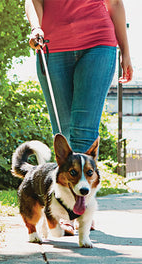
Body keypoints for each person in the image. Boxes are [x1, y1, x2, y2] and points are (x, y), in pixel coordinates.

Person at [25, 0, 133, 154]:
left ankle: (82, 178)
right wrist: (36, 28)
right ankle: (72, 177)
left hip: (98, 44)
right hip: (53, 48)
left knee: (84, 134)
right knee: (64, 136)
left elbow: (114, 3)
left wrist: (125, 52)